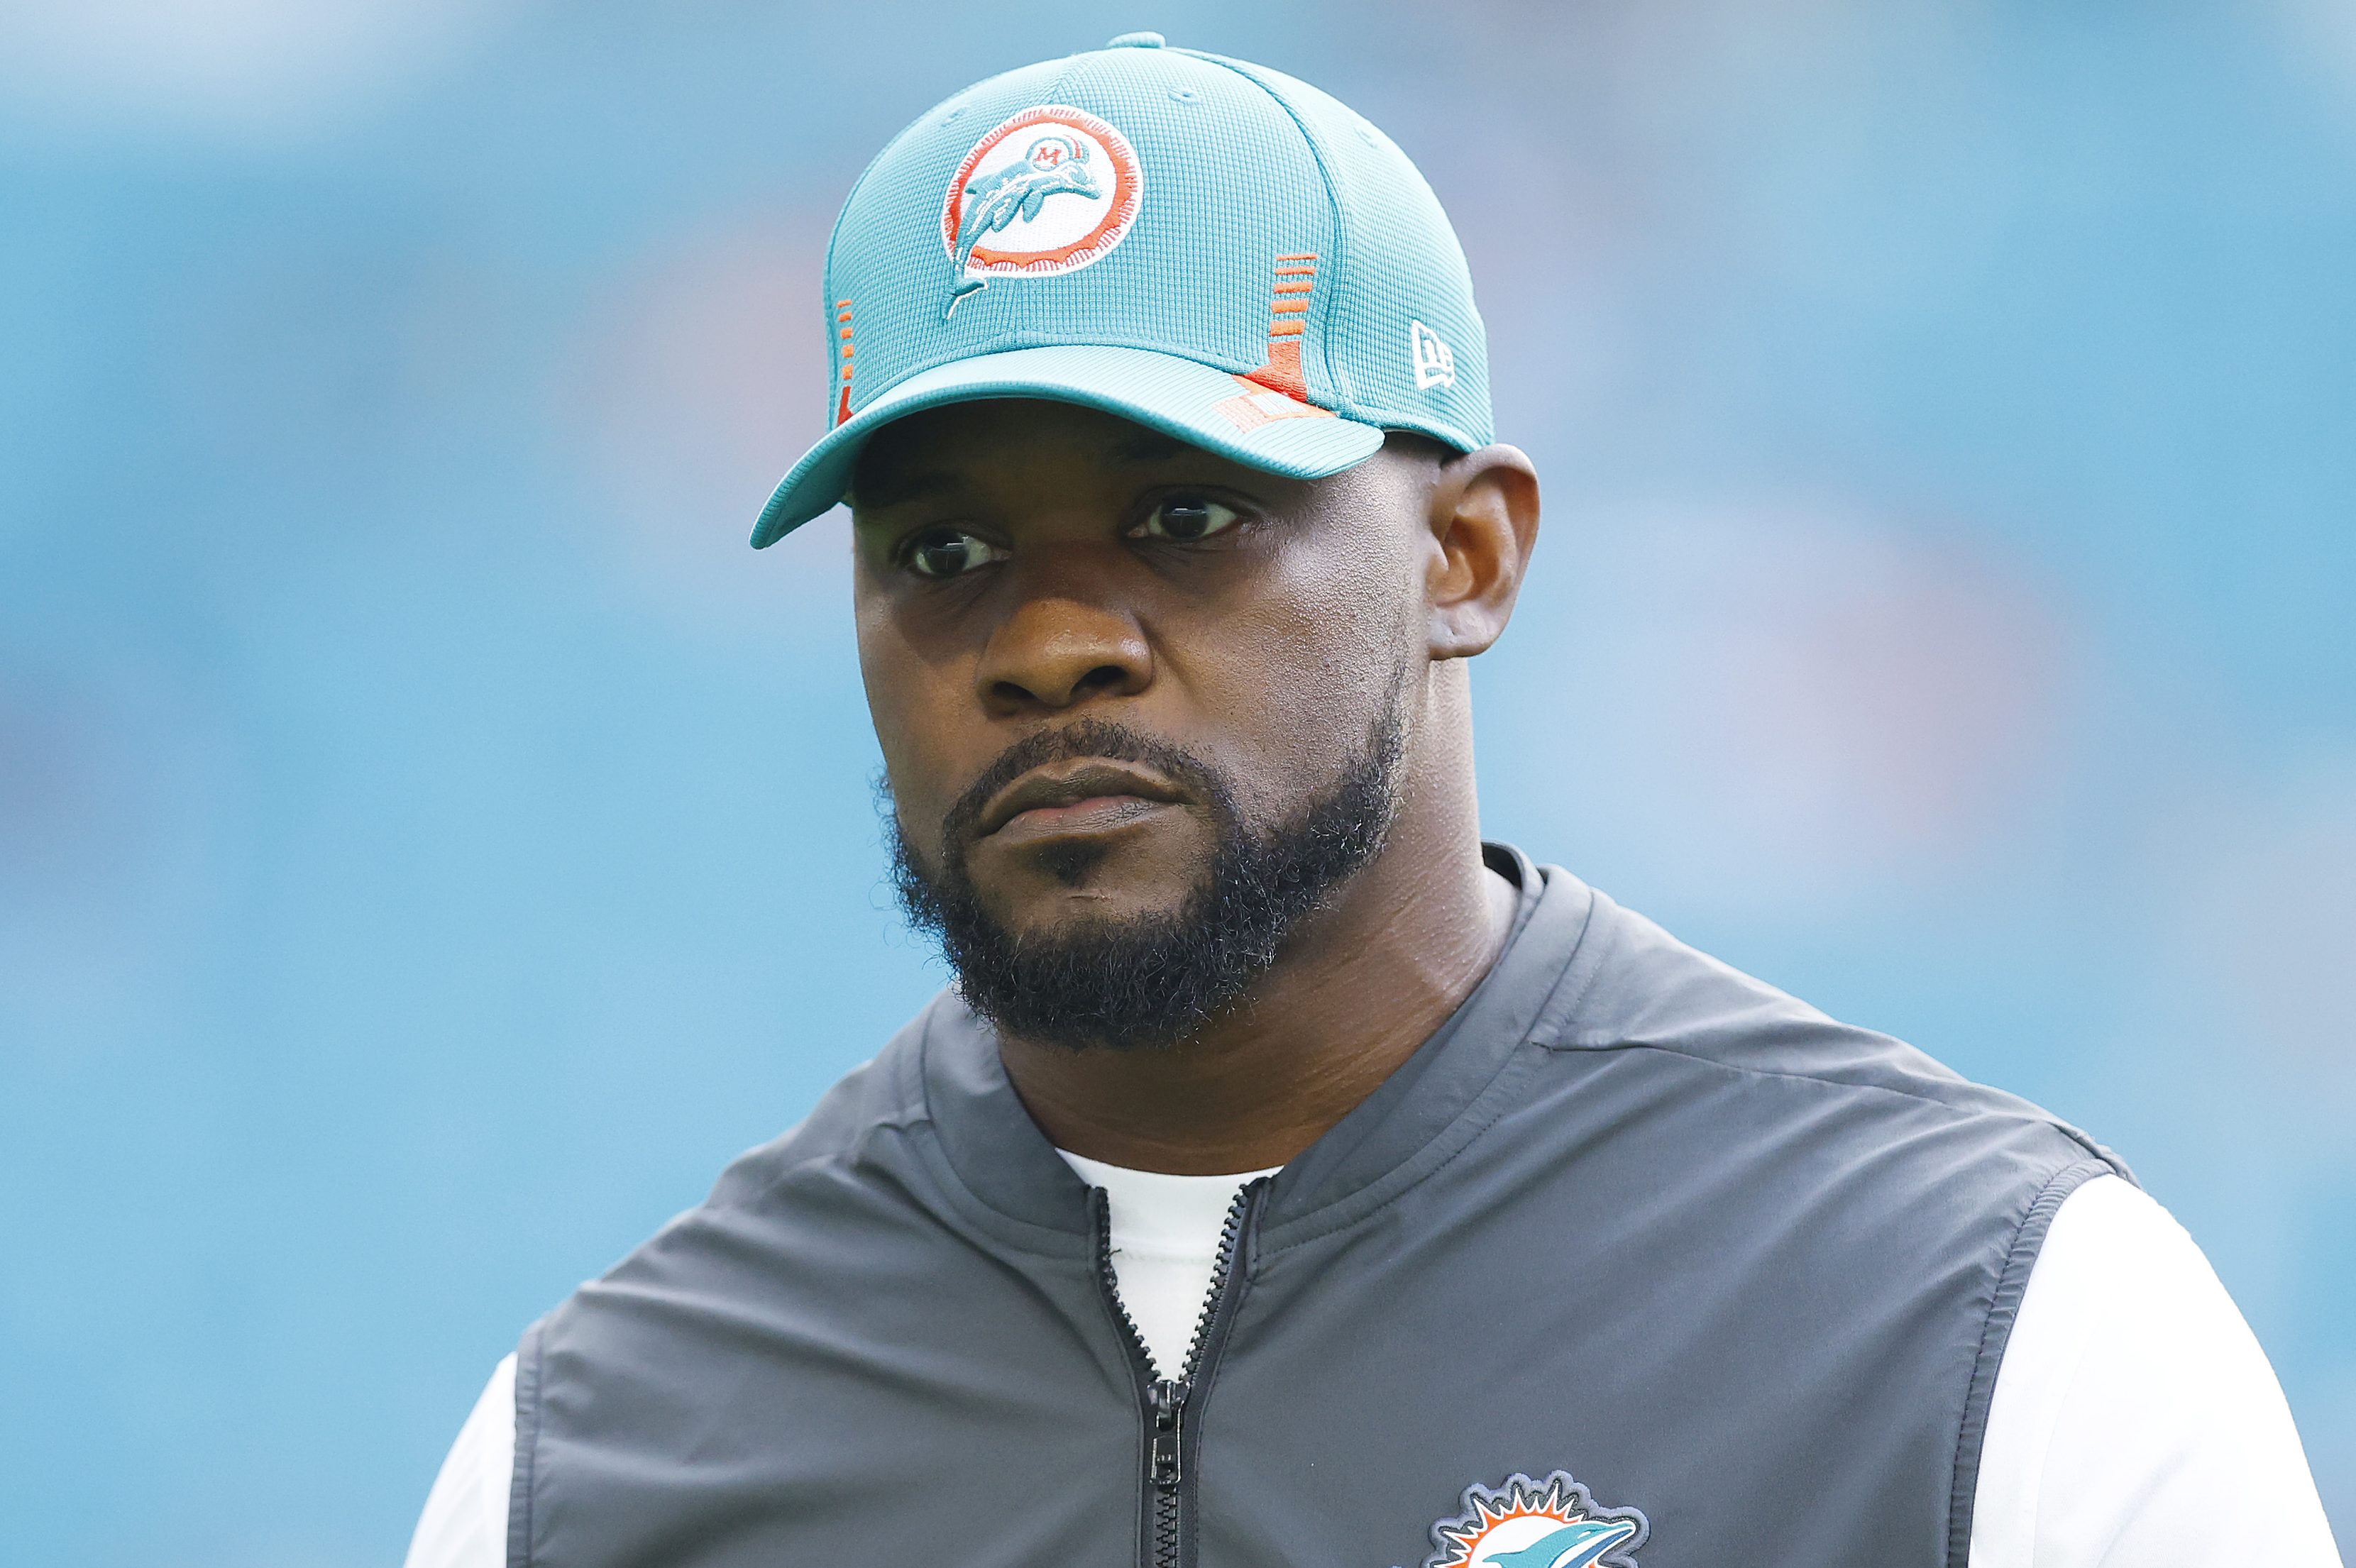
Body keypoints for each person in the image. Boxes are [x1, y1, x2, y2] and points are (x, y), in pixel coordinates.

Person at [404, 33, 2342, 1568]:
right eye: (943, 548)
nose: (1051, 637)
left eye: (1189, 516)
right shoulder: (600, 1458)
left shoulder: (1977, 1333)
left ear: (1471, 555)